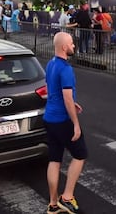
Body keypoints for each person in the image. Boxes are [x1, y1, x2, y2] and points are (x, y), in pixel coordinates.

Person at [44, 32, 87, 213]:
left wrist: (68, 101)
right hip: (63, 120)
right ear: (64, 47)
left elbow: (50, 90)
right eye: (71, 43)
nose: (74, 46)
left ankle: (53, 204)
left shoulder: (50, 64)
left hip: (49, 119)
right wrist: (76, 124)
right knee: (80, 155)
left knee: (55, 159)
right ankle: (67, 197)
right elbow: (67, 98)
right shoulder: (66, 69)